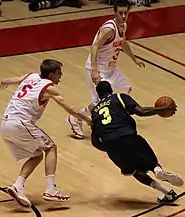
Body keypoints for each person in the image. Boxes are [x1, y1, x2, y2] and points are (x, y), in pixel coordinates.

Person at [0, 59, 91, 208]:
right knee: (51, 148)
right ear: (51, 74)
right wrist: (88, 120)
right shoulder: (50, 88)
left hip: (5, 123)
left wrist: (2, 84)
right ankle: (50, 189)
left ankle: (18, 186)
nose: (60, 76)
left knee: (37, 155)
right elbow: (71, 110)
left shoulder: (30, 76)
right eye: (59, 74)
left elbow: (7, 80)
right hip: (21, 123)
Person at [90, 81, 183, 203]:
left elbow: (95, 142)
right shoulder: (119, 97)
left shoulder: (95, 111)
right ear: (111, 90)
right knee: (151, 162)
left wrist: (109, 147)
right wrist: (161, 109)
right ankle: (158, 171)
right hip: (128, 136)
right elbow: (141, 111)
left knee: (135, 172)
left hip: (111, 145)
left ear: (98, 94)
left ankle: (168, 193)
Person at [67, 0, 145, 139]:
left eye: (125, 13)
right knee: (100, 102)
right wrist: (94, 70)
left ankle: (114, 116)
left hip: (111, 69)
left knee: (124, 90)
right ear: (114, 12)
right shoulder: (110, 28)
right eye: (120, 13)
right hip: (98, 69)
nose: (123, 16)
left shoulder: (123, 26)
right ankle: (75, 118)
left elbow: (123, 43)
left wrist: (134, 59)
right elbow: (95, 46)